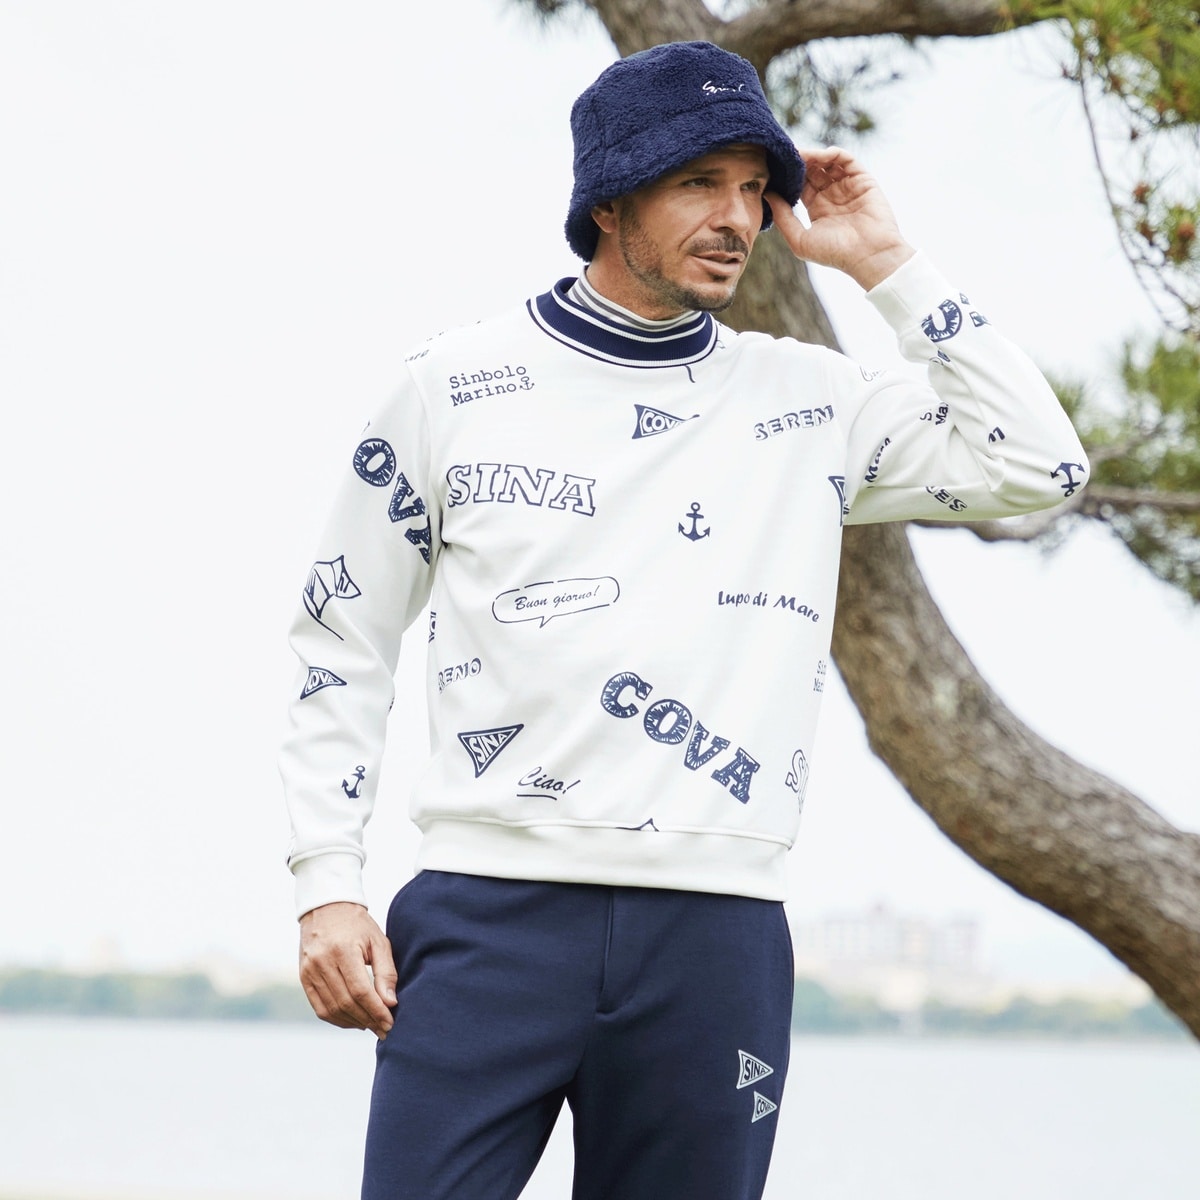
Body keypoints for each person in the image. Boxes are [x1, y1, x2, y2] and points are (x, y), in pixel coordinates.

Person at [280, 40, 1089, 1200]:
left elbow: (1042, 468)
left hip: (718, 939)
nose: (739, 218)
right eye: (698, 183)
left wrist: (888, 266)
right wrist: (327, 884)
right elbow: (342, 641)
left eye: (755, 188)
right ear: (610, 203)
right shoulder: (451, 387)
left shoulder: (812, 400)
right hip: (485, 918)